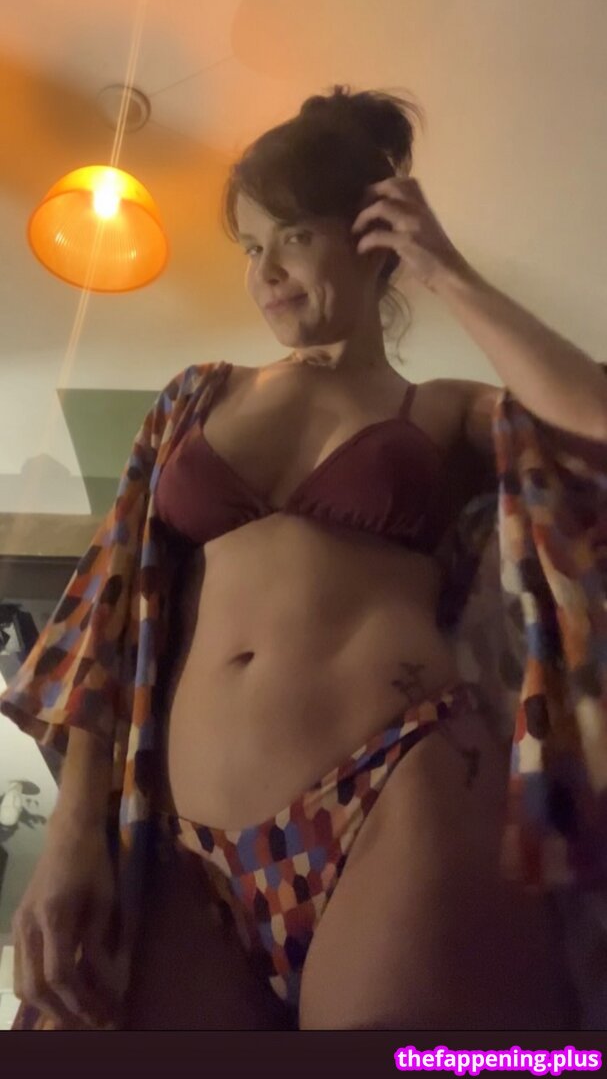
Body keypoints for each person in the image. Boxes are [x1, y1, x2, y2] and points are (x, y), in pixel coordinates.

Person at [4, 85, 584, 1031]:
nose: (265, 270)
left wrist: (447, 272)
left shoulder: (444, 409)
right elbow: (108, 605)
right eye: (250, 246)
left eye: (295, 236)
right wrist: (74, 831)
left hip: (398, 793)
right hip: (178, 840)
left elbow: (590, 432)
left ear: (373, 238)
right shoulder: (198, 395)